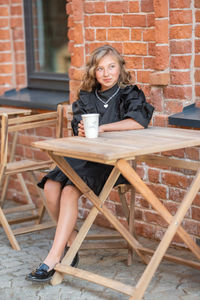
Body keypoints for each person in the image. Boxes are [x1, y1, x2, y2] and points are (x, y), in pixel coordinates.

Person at [26, 44, 154, 282]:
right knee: (52, 187)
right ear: (93, 72)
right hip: (85, 158)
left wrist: (104, 127)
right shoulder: (86, 96)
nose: (106, 73)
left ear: (120, 68)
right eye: (100, 68)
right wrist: (82, 129)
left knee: (69, 191)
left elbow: (138, 122)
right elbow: (77, 129)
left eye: (111, 67)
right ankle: (71, 238)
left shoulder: (130, 93)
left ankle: (54, 257)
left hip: (114, 163)